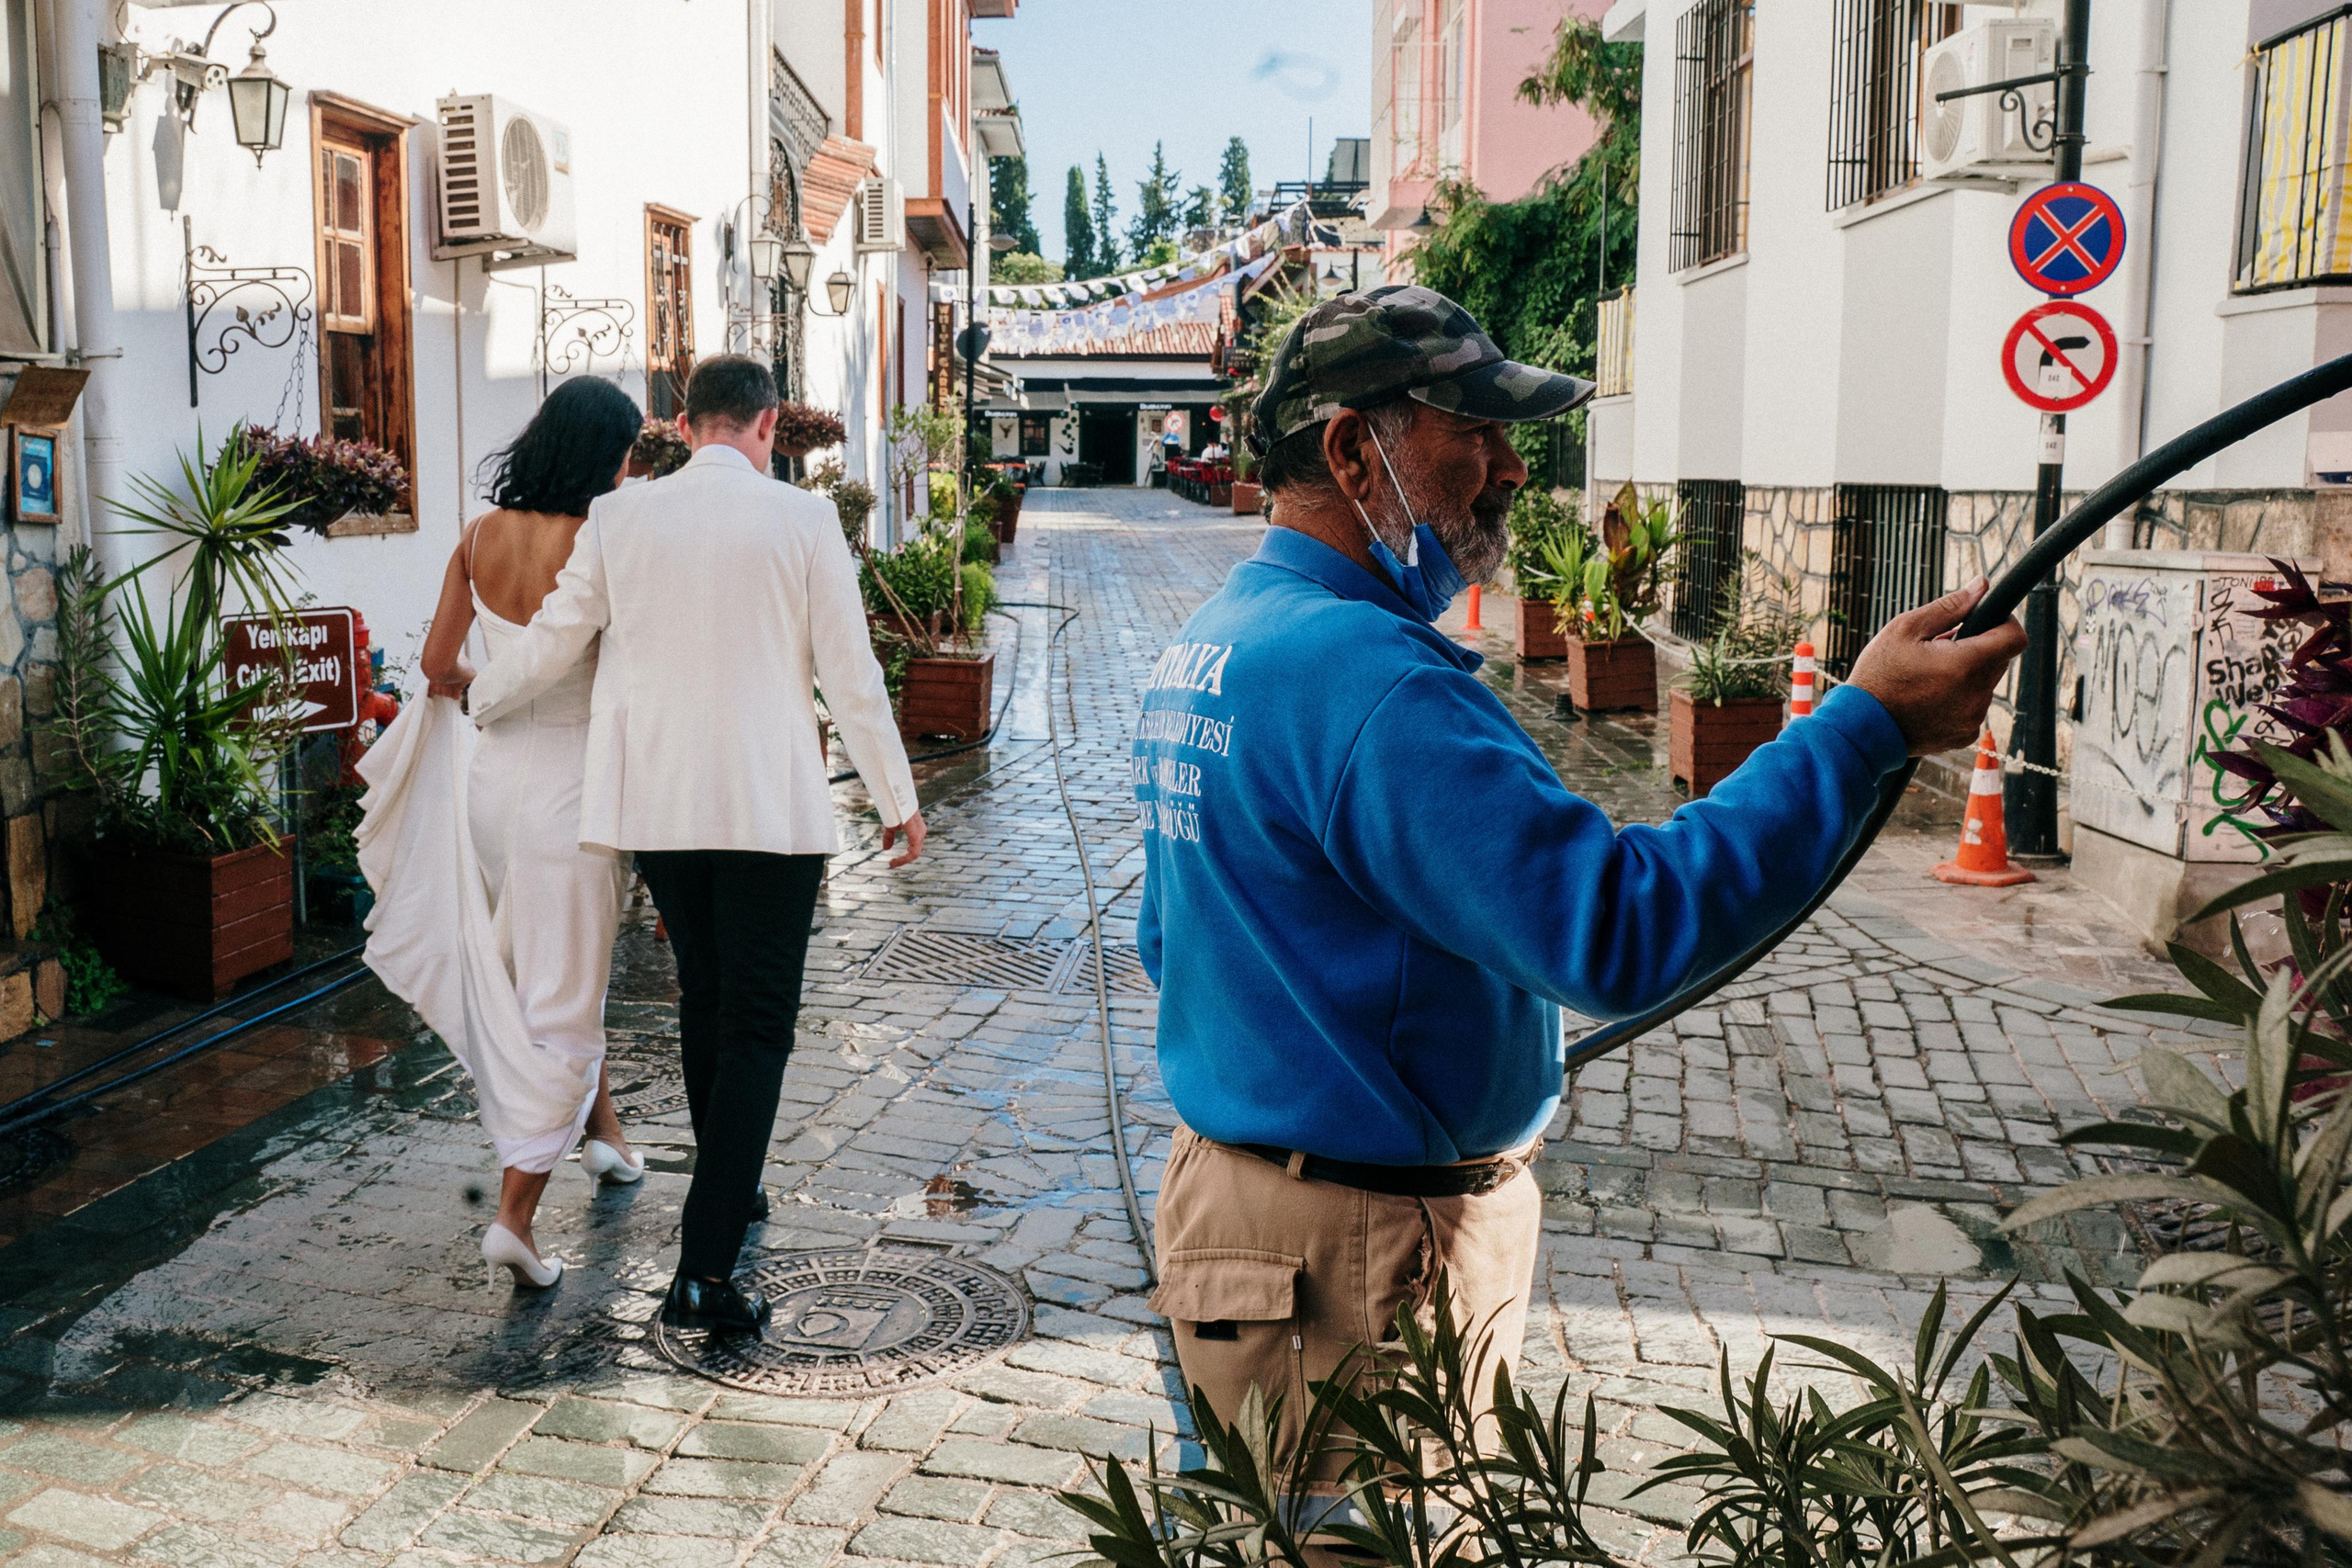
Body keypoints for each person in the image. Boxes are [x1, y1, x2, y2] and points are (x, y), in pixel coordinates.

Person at [1132, 286, 2026, 1490]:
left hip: (1240, 1221)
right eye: (1474, 428)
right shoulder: (1368, 678)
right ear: (1354, 450)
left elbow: (1171, 942)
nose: (1509, 464)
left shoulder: (1221, 638)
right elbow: (1617, 926)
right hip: (1345, 1249)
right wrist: (1862, 730)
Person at [464, 355, 928, 1334]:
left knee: (707, 999)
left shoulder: (622, 518)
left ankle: (733, 1180)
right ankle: (704, 1275)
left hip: (657, 812)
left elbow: (552, 639)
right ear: (766, 428)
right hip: (768, 814)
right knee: (757, 1025)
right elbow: (851, 674)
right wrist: (897, 797)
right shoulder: (805, 522)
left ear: (683, 423)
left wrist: (479, 698)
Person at [358, 376, 650, 1292]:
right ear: (608, 456)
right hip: (573, 792)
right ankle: (515, 1221)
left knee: (547, 968)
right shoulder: (601, 543)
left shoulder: (478, 538)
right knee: (561, 994)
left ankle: (606, 1138)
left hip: (491, 785)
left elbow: (437, 666)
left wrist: (486, 681)